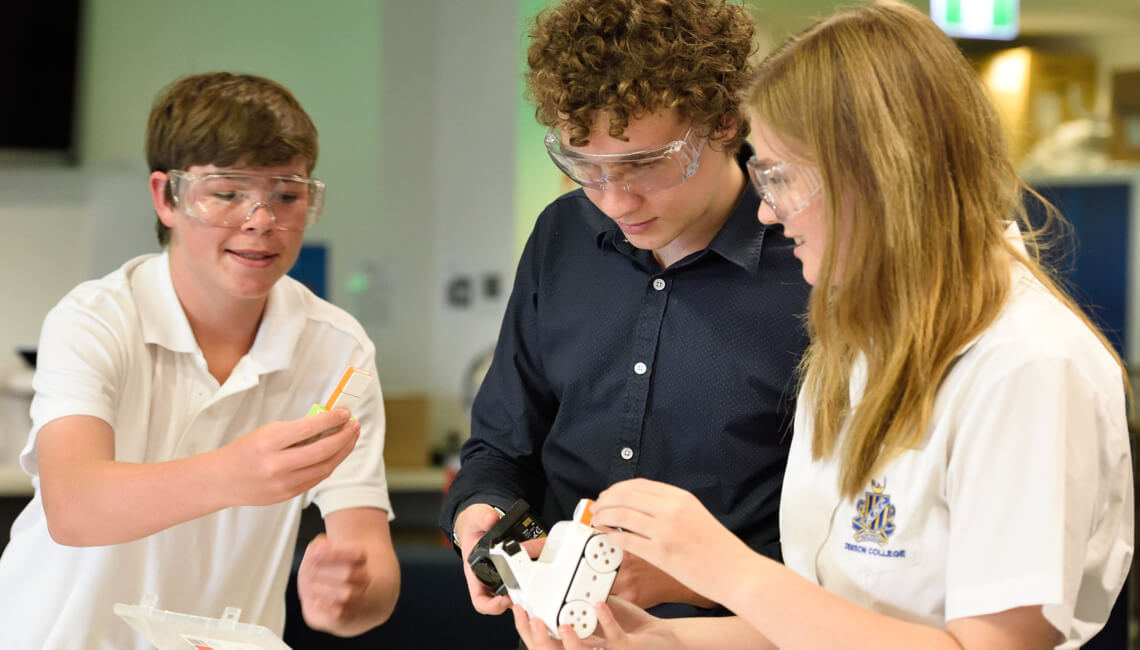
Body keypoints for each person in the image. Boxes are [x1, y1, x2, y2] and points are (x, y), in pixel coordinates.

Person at [513, 2, 1134, 648]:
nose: (768, 214)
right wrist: (651, 642)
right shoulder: (859, 344)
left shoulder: (1025, 364)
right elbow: (822, 622)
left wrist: (728, 570)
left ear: (876, 175)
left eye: (779, 177)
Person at [0, 72, 400, 648]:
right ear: (167, 197)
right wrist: (236, 474)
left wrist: (352, 594)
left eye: (286, 195)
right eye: (228, 192)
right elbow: (75, 505)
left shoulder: (339, 348)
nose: (260, 220)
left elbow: (370, 562)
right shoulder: (95, 319)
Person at [440, 0, 810, 622]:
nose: (614, 200)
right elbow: (502, 447)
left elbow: (845, 541)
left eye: (643, 165)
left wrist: (687, 579)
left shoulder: (810, 260)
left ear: (723, 122)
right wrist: (484, 512)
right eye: (587, 166)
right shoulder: (564, 234)